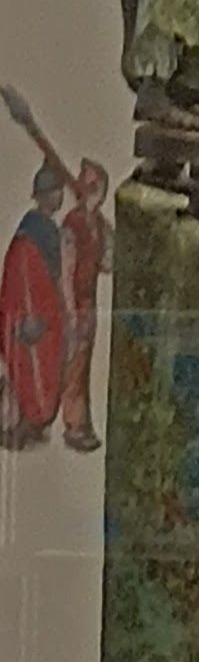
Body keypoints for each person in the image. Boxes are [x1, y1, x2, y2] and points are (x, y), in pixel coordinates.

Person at [1, 157, 68, 450]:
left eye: (59, 190)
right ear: (42, 195)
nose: (59, 195)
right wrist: (29, 314)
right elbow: (24, 272)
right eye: (54, 191)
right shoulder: (31, 231)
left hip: (47, 309)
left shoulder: (51, 229)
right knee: (30, 368)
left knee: (50, 363)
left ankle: (37, 420)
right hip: (32, 311)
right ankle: (26, 420)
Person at [57, 159, 113, 455]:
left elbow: (108, 263)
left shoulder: (96, 224)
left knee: (83, 364)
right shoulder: (72, 223)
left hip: (89, 304)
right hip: (75, 305)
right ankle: (74, 424)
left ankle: (82, 422)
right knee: (74, 366)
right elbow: (65, 271)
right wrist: (70, 312)